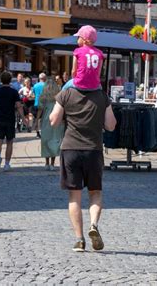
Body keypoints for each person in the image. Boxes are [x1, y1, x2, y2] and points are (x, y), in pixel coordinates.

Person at [49, 85, 117, 252]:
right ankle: (93, 224)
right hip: (93, 150)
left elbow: (54, 120)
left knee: (74, 196)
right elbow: (111, 125)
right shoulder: (102, 96)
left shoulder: (66, 94)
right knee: (95, 192)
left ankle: (79, 240)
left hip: (71, 149)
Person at [0, 71, 26, 173]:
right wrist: (23, 118)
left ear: (1, 80)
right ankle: (7, 164)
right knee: (9, 142)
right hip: (10, 119)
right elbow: (19, 106)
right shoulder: (14, 92)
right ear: (10, 80)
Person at [63, 25, 104, 91]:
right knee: (102, 93)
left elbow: (73, 71)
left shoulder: (77, 51)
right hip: (95, 86)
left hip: (79, 84)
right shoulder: (100, 53)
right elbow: (98, 73)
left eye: (79, 37)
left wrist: (74, 80)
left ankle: (59, 100)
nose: (77, 39)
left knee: (64, 89)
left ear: (84, 40)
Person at [39, 79, 64, 170]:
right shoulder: (59, 95)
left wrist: (36, 121)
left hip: (46, 121)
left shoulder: (43, 97)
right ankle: (52, 164)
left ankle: (47, 163)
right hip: (57, 120)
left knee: (45, 140)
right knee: (55, 140)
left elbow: (40, 109)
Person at [33, 73, 47, 138]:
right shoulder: (47, 85)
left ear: (39, 78)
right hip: (45, 104)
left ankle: (37, 133)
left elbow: (32, 94)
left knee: (37, 119)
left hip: (36, 104)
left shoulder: (35, 85)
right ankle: (43, 132)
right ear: (45, 78)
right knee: (44, 119)